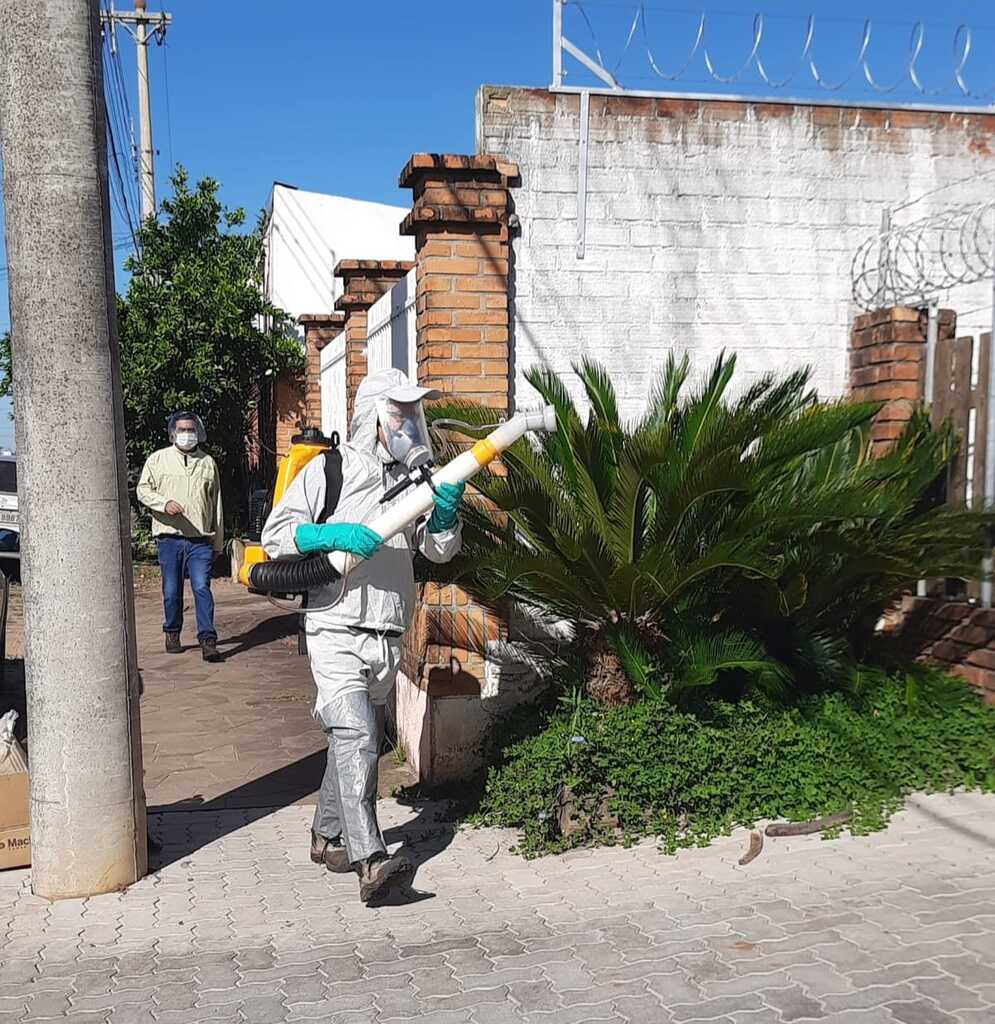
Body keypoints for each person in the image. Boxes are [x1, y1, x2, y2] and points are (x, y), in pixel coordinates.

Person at [261, 369, 464, 903]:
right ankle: (371, 860)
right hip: (335, 623)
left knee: (352, 742)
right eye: (399, 413)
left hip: (388, 631)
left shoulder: (416, 480)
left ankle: (326, 835)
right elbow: (276, 536)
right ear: (373, 414)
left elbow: (438, 553)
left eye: (412, 414)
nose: (408, 424)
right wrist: (332, 534)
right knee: (358, 738)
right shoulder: (331, 468)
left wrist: (445, 513)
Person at [137, 412, 224, 663]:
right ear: (173, 432)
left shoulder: (208, 462)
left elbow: (216, 503)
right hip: (170, 538)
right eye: (182, 429)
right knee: (171, 590)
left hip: (200, 539)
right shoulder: (158, 460)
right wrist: (164, 504)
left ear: (198, 431)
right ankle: (172, 631)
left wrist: (217, 541)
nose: (187, 433)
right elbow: (143, 490)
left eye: (191, 429)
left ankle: (208, 640)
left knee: (201, 587)